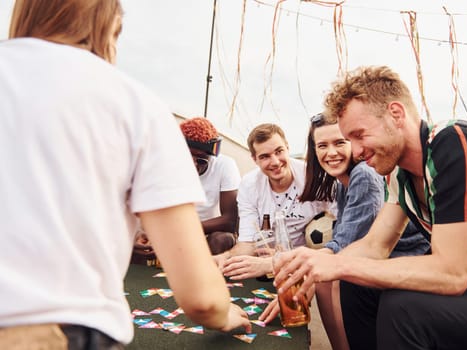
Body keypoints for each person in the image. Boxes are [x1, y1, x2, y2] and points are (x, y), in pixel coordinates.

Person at [0, 1, 250, 348]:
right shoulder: (135, 105)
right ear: (109, 26)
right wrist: (226, 315)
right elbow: (201, 297)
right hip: (53, 331)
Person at [273, 65, 467, 350]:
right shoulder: (398, 173)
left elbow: (452, 273)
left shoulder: (456, 144)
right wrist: (315, 267)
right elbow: (374, 246)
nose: (355, 151)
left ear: (396, 114)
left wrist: (338, 263)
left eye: (359, 135)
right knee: (356, 283)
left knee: (403, 309)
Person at [259, 113, 428, 350]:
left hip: (405, 256)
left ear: (352, 143)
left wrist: (298, 269)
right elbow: (343, 240)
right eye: (322, 146)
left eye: (339, 143)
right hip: (380, 254)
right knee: (323, 276)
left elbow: (347, 242)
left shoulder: (364, 175)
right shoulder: (342, 182)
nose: (331, 152)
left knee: (331, 279)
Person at [215, 123, 333, 280]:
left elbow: (339, 234)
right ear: (254, 159)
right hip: (262, 265)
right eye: (265, 156)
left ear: (287, 148)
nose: (275, 162)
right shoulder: (249, 185)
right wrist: (225, 257)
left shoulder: (314, 179)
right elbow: (247, 242)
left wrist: (281, 258)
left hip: (306, 264)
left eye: (279, 151)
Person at [134, 117, 240, 255]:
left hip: (206, 233)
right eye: (188, 158)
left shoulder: (225, 165)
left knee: (221, 239)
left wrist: (182, 230)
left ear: (211, 156)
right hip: (171, 231)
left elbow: (230, 221)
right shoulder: (164, 164)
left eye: (201, 160)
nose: (194, 166)